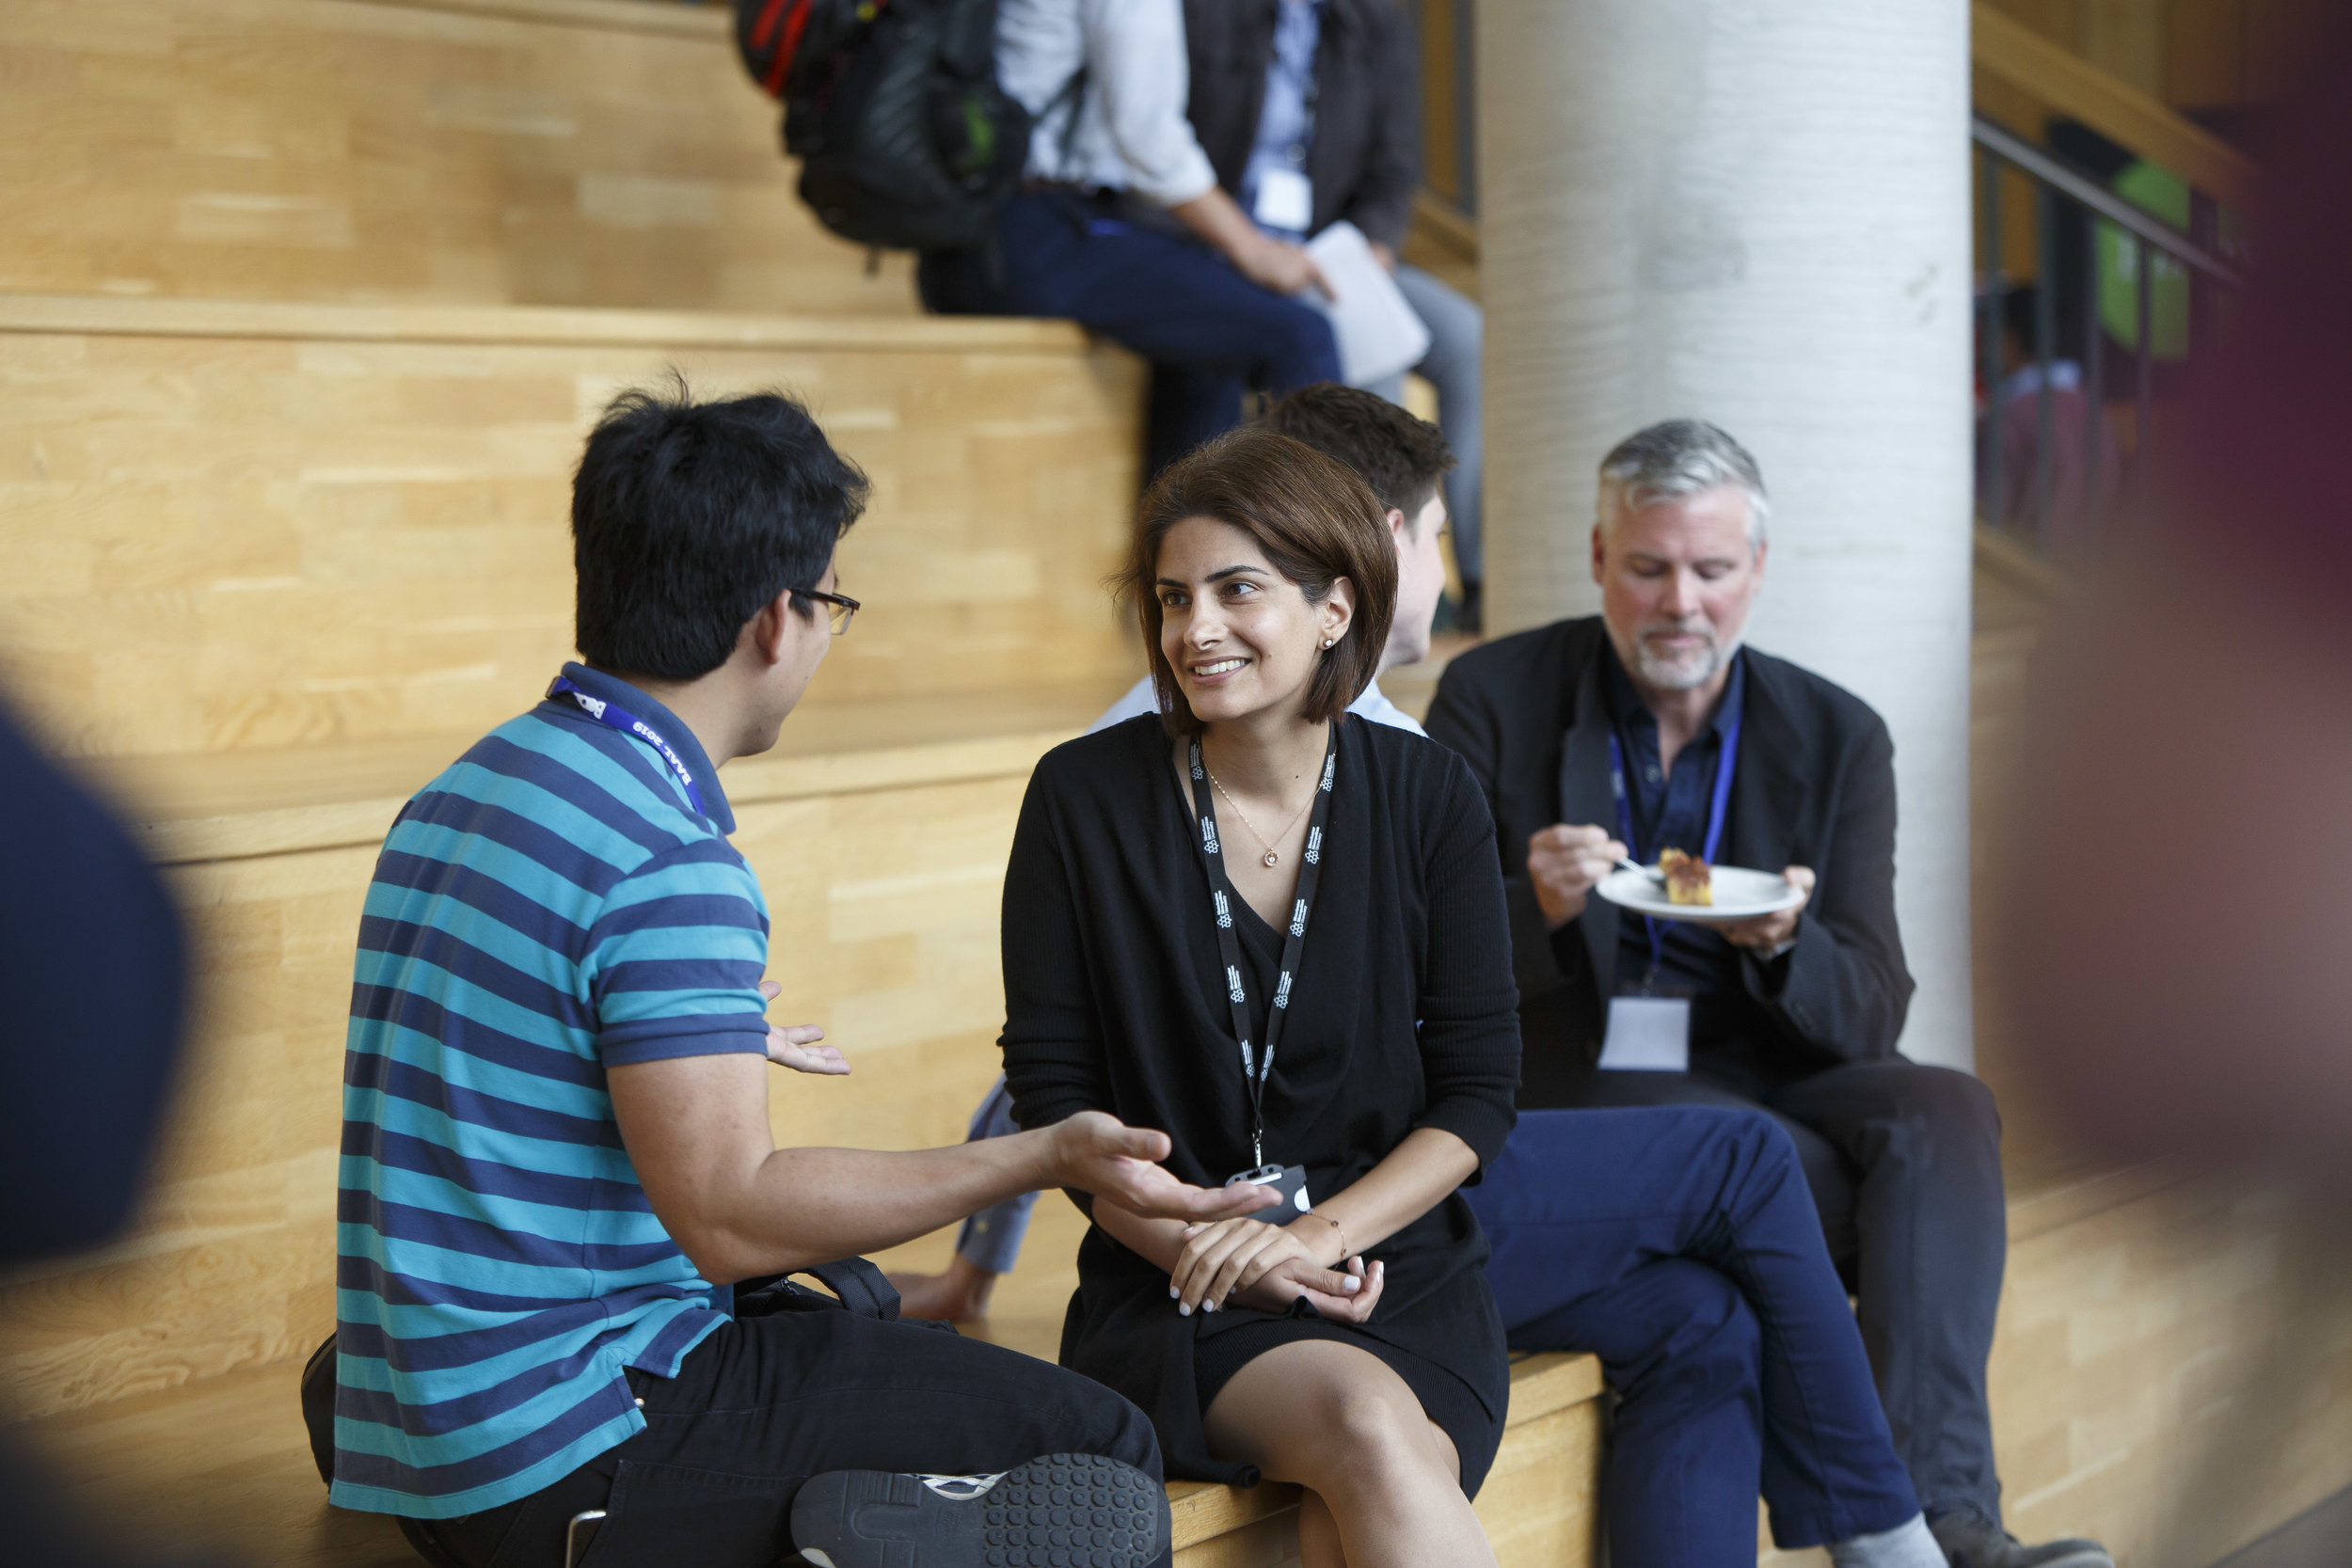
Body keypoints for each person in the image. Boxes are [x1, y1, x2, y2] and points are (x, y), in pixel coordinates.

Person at [322, 384, 1290, 1568]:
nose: (826, 631)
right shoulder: (665, 857)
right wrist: (1041, 1152)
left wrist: (700, 1037)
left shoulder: (472, 785)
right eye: (833, 601)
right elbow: (732, 1216)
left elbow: (508, 1043)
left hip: (402, 1413)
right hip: (560, 1441)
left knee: (858, 1332)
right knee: (1097, 1448)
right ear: (778, 618)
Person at [1424, 419, 2112, 1568]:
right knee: (1778, 1162)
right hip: (1578, 1070)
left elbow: (1870, 1004)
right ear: (1599, 558)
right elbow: (1420, 965)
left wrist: (1787, 943)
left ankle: (1946, 1511)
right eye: (1648, 567)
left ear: (1756, 572)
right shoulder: (1492, 695)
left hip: (1768, 1064)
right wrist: (1531, 903)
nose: (1678, 602)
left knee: (1944, 1109)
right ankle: (1890, 1536)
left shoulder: (1837, 733)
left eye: (1710, 569)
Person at [996, 426, 1518, 1568]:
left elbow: (1479, 1092)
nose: (1195, 630)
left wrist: (1315, 1236)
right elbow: (1055, 1096)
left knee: (1354, 1495)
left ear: (1336, 607)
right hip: (1170, 1281)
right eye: (1175, 597)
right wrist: (1219, 1243)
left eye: (1239, 591)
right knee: (1373, 1434)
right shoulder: (1079, 797)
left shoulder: (1430, 793)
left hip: (1389, 1271)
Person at [889, 382, 1449, 1323]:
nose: (1199, 629)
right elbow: (1053, 1057)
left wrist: (970, 1273)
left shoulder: (1390, 762)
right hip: (1268, 1217)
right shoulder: (1126, 763)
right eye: (1438, 536)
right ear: (1387, 536)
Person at [919, 0, 1341, 480]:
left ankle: (1186, 551)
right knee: (1301, 335)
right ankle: (1326, 552)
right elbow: (1149, 138)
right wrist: (1253, 250)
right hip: (1040, 233)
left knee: (1209, 344)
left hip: (967, 236)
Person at [1183, 0, 1486, 627]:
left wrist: (1374, 246)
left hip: (1330, 250)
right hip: (1223, 245)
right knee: (1374, 356)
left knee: (1471, 340)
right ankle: (1379, 581)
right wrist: (1250, 247)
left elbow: (1394, 168)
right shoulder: (1204, 12)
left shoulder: (1376, 21)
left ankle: (1480, 572)